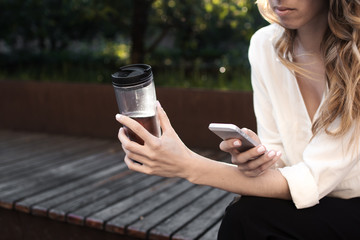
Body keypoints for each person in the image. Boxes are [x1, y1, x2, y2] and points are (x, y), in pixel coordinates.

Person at [116, 0, 360, 239]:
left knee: (246, 217)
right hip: (313, 207)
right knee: (248, 213)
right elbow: (280, 157)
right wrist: (260, 160)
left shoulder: (355, 55)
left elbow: (313, 180)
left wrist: (187, 165)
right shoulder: (265, 45)